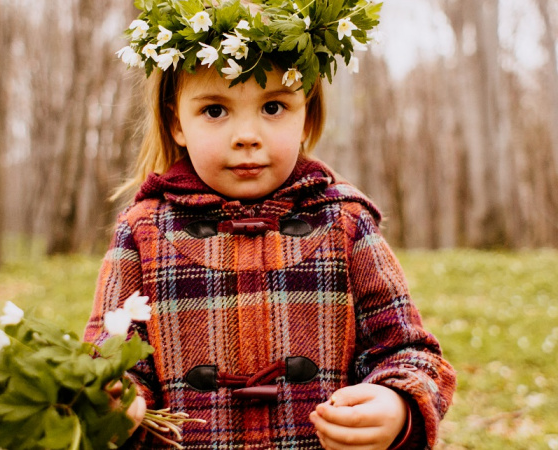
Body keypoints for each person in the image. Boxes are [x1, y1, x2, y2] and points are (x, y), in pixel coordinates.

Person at [84, 1, 456, 448]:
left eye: (274, 106)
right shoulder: (142, 233)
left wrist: (397, 405)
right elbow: (108, 358)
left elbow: (410, 352)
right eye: (215, 111)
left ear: (307, 117)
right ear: (175, 121)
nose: (247, 135)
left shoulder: (346, 224)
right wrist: (114, 401)